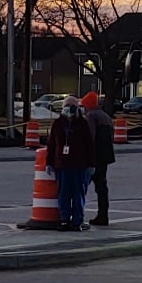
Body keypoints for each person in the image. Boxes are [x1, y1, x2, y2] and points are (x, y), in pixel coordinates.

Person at [45, 94, 95, 231]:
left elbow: (89, 145)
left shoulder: (83, 124)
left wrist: (91, 164)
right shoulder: (58, 124)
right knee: (63, 194)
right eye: (67, 106)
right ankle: (64, 220)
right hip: (62, 165)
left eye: (72, 106)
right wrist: (49, 162)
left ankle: (77, 221)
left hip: (79, 165)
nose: (69, 109)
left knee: (78, 194)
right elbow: (51, 145)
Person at [80, 91, 116, 226]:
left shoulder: (91, 116)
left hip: (94, 157)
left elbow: (90, 137)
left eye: (84, 106)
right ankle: (103, 215)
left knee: (82, 185)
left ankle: (76, 214)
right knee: (101, 187)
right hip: (105, 156)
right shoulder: (105, 116)